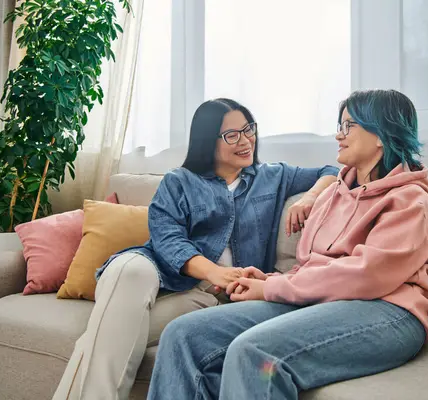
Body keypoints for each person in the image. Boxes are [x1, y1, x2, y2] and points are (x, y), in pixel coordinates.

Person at [148, 89, 428, 400]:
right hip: (321, 301)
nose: (338, 135)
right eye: (339, 126)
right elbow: (310, 267)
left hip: (389, 310)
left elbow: (366, 275)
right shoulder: (333, 194)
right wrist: (272, 280)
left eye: (348, 126)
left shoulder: (409, 200)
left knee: (255, 353)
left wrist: (272, 289)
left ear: (380, 134)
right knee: (183, 334)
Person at [53, 98, 339, 400]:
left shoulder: (274, 176)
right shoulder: (179, 181)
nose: (245, 141)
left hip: (205, 298)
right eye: (232, 135)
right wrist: (217, 272)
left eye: (248, 129)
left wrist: (309, 198)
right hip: (153, 272)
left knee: (104, 336)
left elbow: (331, 170)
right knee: (131, 272)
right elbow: (168, 240)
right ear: (207, 140)